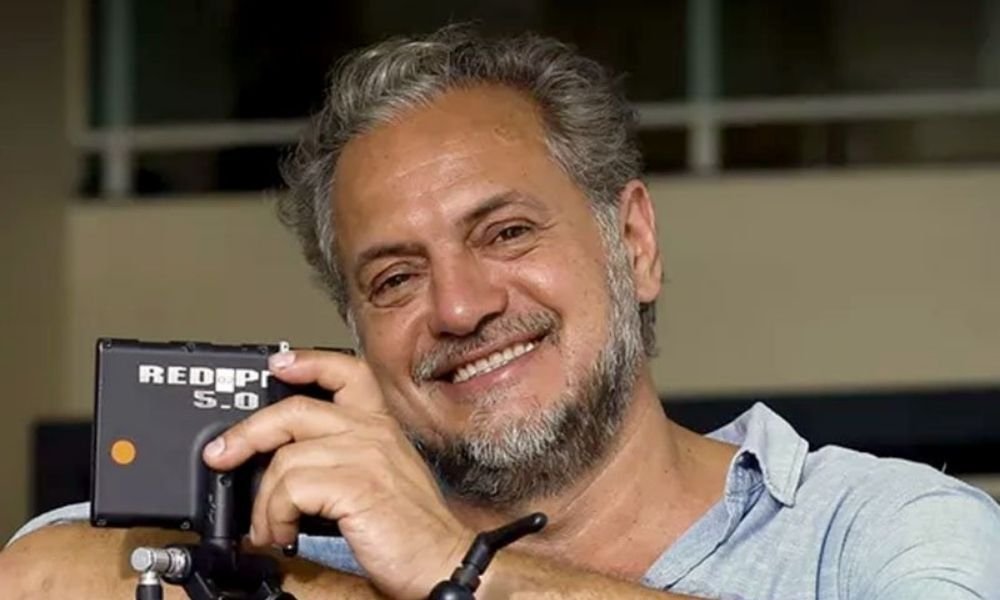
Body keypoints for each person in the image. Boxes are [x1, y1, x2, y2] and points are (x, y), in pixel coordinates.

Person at [3, 26, 999, 600]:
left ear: (634, 244)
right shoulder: (299, 541)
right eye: (395, 279)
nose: (460, 305)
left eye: (507, 232)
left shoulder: (872, 529)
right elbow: (39, 571)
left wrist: (459, 572)